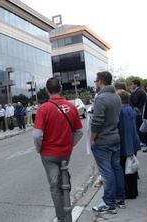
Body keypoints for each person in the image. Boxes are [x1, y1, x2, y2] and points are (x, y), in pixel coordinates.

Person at [32, 77, 83, 222]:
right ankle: (67, 210)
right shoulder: (71, 107)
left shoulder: (43, 108)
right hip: (65, 153)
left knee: (54, 186)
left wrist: (39, 148)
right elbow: (79, 131)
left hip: (48, 154)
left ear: (47, 91)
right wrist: (69, 144)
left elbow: (37, 135)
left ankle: (62, 218)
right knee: (63, 180)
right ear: (60, 89)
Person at [90, 71, 125, 214]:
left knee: (107, 172)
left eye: (96, 81)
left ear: (101, 81)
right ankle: (120, 199)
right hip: (115, 137)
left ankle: (108, 203)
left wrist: (92, 138)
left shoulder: (101, 98)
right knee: (116, 168)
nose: (95, 83)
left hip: (103, 140)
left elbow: (97, 121)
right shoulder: (116, 96)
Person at [117, 90, 141, 199]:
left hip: (126, 145)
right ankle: (133, 191)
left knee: (126, 169)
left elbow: (124, 130)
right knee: (132, 168)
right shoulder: (130, 109)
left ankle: (129, 192)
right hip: (132, 142)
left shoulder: (122, 111)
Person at [129, 80, 147, 145]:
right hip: (139, 111)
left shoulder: (139, 91)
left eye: (132, 84)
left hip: (138, 111)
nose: (131, 86)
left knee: (139, 126)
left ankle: (142, 141)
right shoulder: (139, 91)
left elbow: (135, 101)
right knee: (139, 126)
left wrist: (131, 94)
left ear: (136, 85)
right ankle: (142, 141)